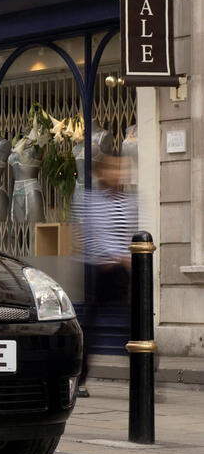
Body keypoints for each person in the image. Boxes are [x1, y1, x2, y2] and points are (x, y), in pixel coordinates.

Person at [72, 154, 137, 397]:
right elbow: (86, 235)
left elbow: (132, 232)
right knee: (90, 326)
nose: (118, 173)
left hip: (120, 270)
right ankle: (80, 380)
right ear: (100, 174)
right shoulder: (88, 200)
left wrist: (125, 259)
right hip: (96, 269)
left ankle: (144, 374)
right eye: (112, 169)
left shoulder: (128, 201)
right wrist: (110, 256)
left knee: (134, 324)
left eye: (120, 169)